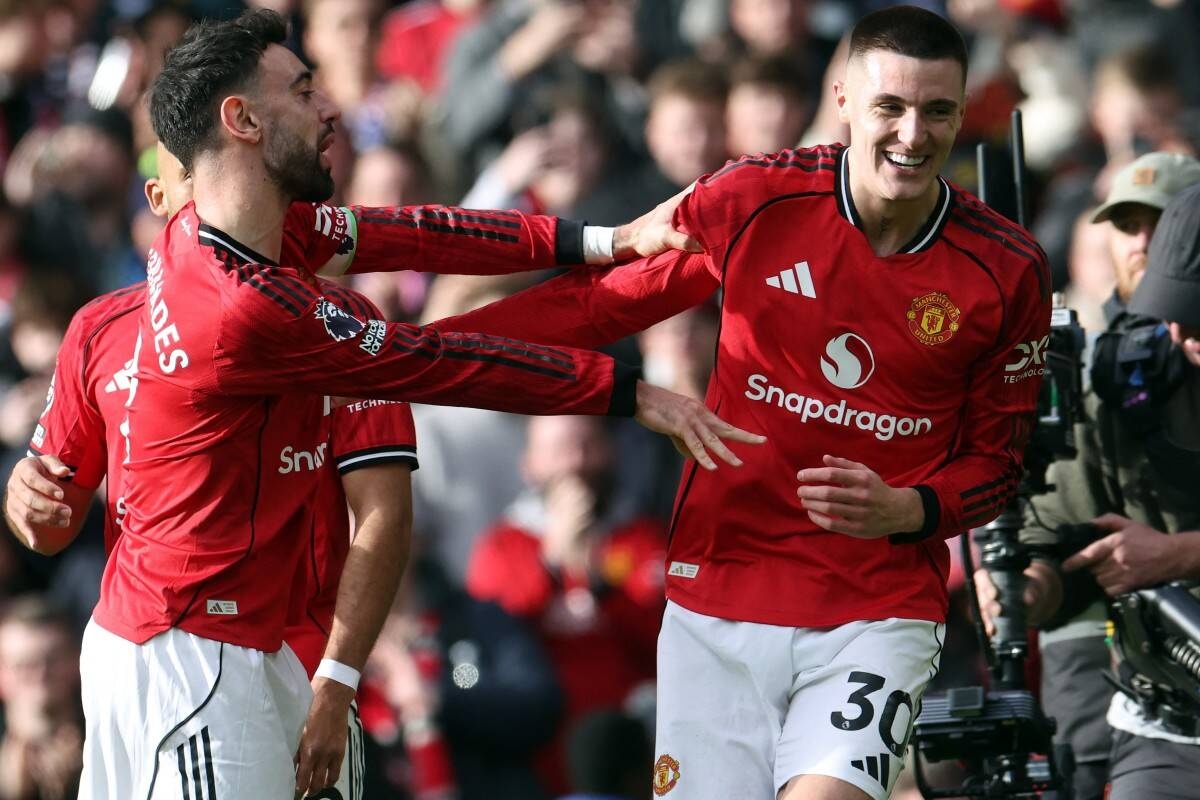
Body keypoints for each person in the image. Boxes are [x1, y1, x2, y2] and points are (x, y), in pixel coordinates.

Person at [45, 11, 757, 800]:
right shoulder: (250, 309)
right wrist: (626, 392)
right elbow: (438, 362)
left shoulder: (236, 242)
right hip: (198, 655)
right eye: (303, 91)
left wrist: (604, 241)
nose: (330, 110)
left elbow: (418, 234)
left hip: (204, 645)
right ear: (241, 120)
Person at [435, 6, 1052, 798]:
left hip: (876, 606)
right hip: (721, 592)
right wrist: (417, 355)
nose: (912, 133)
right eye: (890, 107)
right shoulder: (758, 198)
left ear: (963, 112)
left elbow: (998, 467)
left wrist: (908, 509)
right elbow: (595, 307)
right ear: (842, 101)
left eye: (936, 110)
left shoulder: (1006, 270)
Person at [6, 143, 422, 800]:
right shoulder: (99, 329)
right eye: (197, 182)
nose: (224, 203)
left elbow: (384, 514)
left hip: (300, 666)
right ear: (159, 201)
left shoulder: (345, 324)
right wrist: (21, 499)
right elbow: (49, 525)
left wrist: (339, 678)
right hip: (154, 657)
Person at [974, 151, 1200, 800]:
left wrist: (1179, 555)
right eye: (1173, 312)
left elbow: (1160, 556)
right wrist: (1025, 590)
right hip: (1169, 720)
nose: (1181, 330)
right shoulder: (1126, 387)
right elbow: (1059, 541)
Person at [0, 597, 83, 800]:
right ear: (2, 673)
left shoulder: (109, 738)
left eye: (53, 660)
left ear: (77, 660)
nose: (40, 676)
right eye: (24, 665)